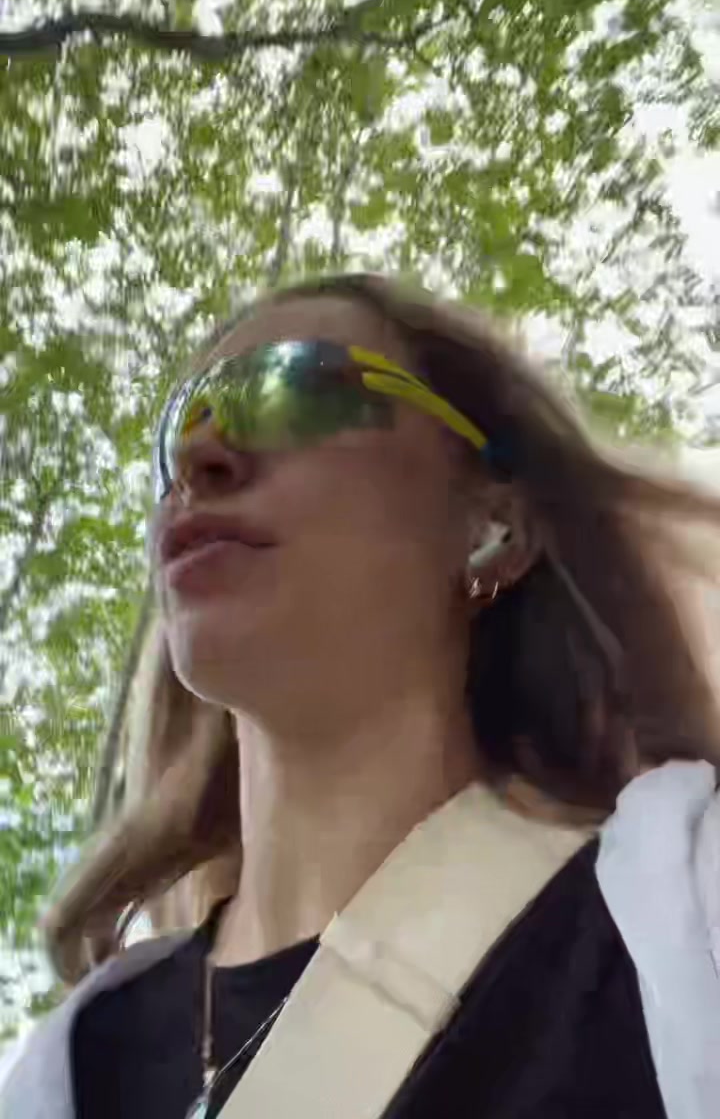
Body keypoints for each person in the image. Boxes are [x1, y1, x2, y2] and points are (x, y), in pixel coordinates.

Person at [2, 272, 719, 1119]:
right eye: (176, 436)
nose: (199, 460)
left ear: (494, 527)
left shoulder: (681, 909)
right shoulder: (76, 1064)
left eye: (297, 391)